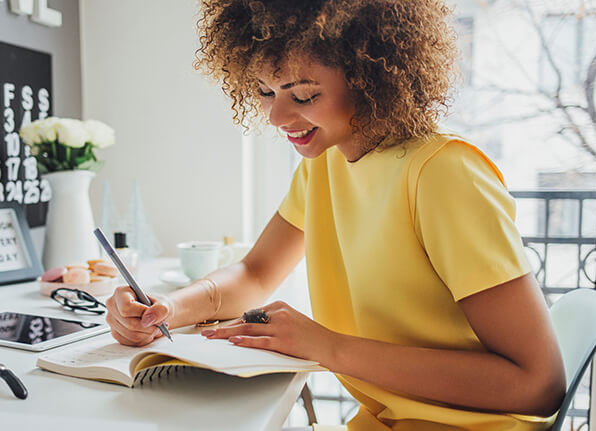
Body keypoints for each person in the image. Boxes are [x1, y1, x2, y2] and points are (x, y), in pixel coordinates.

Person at [105, 1, 566, 429]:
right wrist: (165, 309)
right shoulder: (323, 163)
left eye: (303, 95)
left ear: (370, 76)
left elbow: (538, 384)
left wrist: (326, 346)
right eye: (264, 91)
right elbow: (255, 270)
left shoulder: (443, 174)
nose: (276, 116)